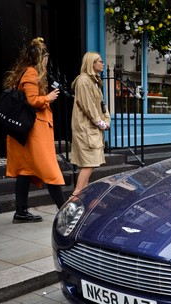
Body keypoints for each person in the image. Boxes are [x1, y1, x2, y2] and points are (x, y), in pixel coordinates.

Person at [4, 37, 65, 223]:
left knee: (25, 171)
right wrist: (48, 97)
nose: (47, 60)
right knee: (51, 170)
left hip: (27, 130)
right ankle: (65, 212)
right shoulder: (31, 73)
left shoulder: (25, 72)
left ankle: (21, 212)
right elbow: (32, 101)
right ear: (40, 57)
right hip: (33, 131)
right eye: (45, 56)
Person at [70, 52, 111, 197]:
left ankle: (79, 196)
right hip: (85, 128)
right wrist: (100, 123)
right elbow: (88, 106)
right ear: (91, 63)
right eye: (99, 61)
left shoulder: (94, 81)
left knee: (90, 163)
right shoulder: (83, 81)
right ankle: (75, 196)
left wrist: (107, 119)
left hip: (92, 127)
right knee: (89, 162)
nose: (102, 63)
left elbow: (101, 105)